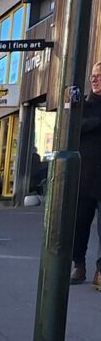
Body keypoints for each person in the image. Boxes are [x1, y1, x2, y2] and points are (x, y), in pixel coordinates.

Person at [71, 60, 101, 285]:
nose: (95, 79)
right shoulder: (82, 104)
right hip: (84, 177)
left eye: (99, 75)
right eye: (93, 75)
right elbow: (74, 127)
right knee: (80, 224)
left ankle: (100, 271)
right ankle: (78, 265)